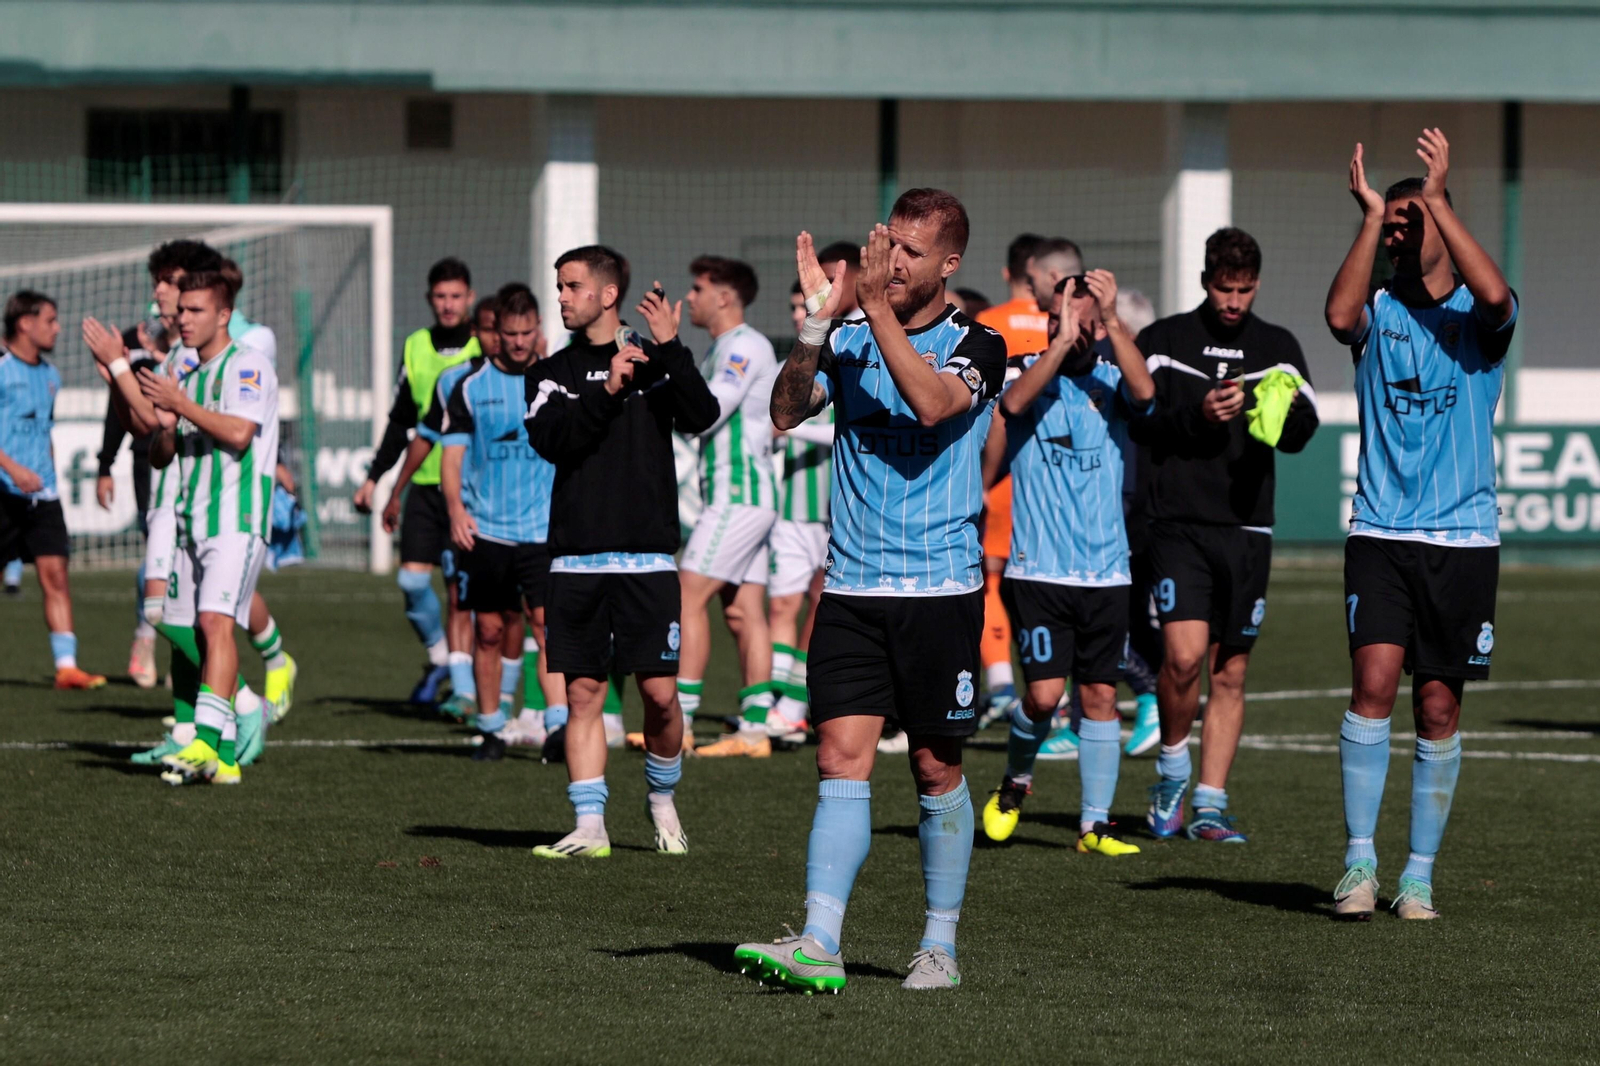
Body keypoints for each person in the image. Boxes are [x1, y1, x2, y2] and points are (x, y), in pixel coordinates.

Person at [735, 190, 1007, 994]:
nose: (892, 264)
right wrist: (817, 327)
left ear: (949, 263)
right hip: (852, 587)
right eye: (889, 246)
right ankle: (821, 940)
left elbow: (932, 406)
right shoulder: (848, 338)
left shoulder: (979, 345)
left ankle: (938, 945)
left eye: (911, 253)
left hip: (940, 590)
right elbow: (785, 412)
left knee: (933, 766)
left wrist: (871, 307)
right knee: (838, 757)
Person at [1323, 130, 1515, 920]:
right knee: (1372, 686)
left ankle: (1419, 875)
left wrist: (1436, 197)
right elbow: (1338, 315)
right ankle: (1359, 865)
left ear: (1443, 220)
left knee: (1437, 707)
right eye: (1392, 224)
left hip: (1463, 540)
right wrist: (1372, 217)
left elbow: (1496, 298)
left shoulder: (1481, 314)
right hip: (1381, 532)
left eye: (1412, 221)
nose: (1399, 233)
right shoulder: (1378, 307)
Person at [523, 245, 718, 857]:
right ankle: (590, 828)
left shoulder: (655, 363)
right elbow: (553, 440)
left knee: (660, 696)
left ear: (607, 295)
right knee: (582, 696)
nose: (560, 296)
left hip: (647, 561)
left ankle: (661, 798)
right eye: (559, 285)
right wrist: (608, 389)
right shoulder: (549, 372)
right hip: (575, 560)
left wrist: (671, 347)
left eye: (571, 285)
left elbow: (703, 415)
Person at [1131, 227, 1319, 844]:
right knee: (1183, 659)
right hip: (1177, 525)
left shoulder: (1278, 346)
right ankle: (1171, 773)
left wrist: (1281, 418)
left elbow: (1303, 430)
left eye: (1244, 289)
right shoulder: (1164, 341)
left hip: (1247, 527)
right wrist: (1198, 415)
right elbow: (1138, 421)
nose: (1234, 301)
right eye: (1223, 288)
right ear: (1205, 281)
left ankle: (1210, 805)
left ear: (1257, 284)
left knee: (1230, 673)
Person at [978, 270, 1155, 856]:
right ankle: (1014, 782)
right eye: (1057, 319)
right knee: (1044, 697)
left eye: (1079, 320)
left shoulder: (1114, 377)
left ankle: (1093, 827)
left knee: (1100, 697)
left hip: (1107, 573)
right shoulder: (1025, 372)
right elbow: (1011, 405)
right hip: (1038, 572)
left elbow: (1146, 395)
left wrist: (1112, 320)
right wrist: (1057, 344)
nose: (1067, 329)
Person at [137, 269, 279, 786]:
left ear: (224, 315)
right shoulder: (189, 377)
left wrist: (181, 405)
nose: (184, 319)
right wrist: (166, 428)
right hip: (190, 522)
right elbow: (161, 457)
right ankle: (226, 758)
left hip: (237, 519)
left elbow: (239, 433)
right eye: (181, 310)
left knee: (215, 623)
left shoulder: (248, 365)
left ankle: (205, 738)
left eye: (195, 310)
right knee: (193, 628)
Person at [430, 285, 563, 761]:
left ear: (538, 329)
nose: (520, 342)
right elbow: (452, 457)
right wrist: (456, 510)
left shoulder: (555, 380)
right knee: (487, 630)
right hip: (486, 531)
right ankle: (490, 728)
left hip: (543, 530)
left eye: (527, 333)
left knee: (546, 628)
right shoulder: (469, 386)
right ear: (496, 333)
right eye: (511, 333)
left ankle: (558, 727)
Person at [672, 256, 787, 759]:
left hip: (738, 495)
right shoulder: (725, 346)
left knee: (686, 596)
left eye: (698, 289)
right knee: (743, 612)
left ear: (724, 297)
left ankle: (679, 721)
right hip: (748, 496)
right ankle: (755, 730)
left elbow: (710, 410)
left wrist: (666, 395)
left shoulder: (743, 346)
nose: (689, 297)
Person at [354, 258, 480, 710]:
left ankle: (465, 692)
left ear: (469, 297)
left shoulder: (484, 347)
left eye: (456, 296)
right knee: (410, 581)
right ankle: (440, 657)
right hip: (425, 486)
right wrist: (375, 478)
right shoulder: (415, 347)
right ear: (430, 299)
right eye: (440, 296)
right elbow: (402, 420)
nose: (448, 304)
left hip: (470, 490)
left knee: (461, 594)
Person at [0, 291, 106, 689]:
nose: (58, 328)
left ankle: (67, 667)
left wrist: (45, 474)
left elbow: (43, 432)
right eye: (50, 320)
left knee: (56, 575)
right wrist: (13, 469)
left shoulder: (51, 376)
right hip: (4, 489)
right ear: (25, 323)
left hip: (42, 494)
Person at [974, 234, 1048, 729]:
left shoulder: (989, 321)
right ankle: (1056, 694)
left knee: (991, 579)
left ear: (1008, 273)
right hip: (1054, 473)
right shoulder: (1059, 323)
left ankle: (1001, 685)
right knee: (1051, 581)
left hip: (1001, 471)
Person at [764, 279, 834, 745]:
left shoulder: (844, 363)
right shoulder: (786, 369)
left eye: (802, 306)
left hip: (834, 512)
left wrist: (793, 432)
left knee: (821, 605)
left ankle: (796, 704)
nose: (796, 314)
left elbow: (838, 433)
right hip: (791, 508)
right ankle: (778, 703)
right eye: (793, 307)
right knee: (783, 605)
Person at [97, 322, 160, 687]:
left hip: (196, 463)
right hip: (149, 462)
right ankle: (145, 637)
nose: (160, 296)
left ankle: (187, 654)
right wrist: (105, 464)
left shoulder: (202, 339)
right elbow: (120, 406)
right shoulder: (135, 343)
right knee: (157, 554)